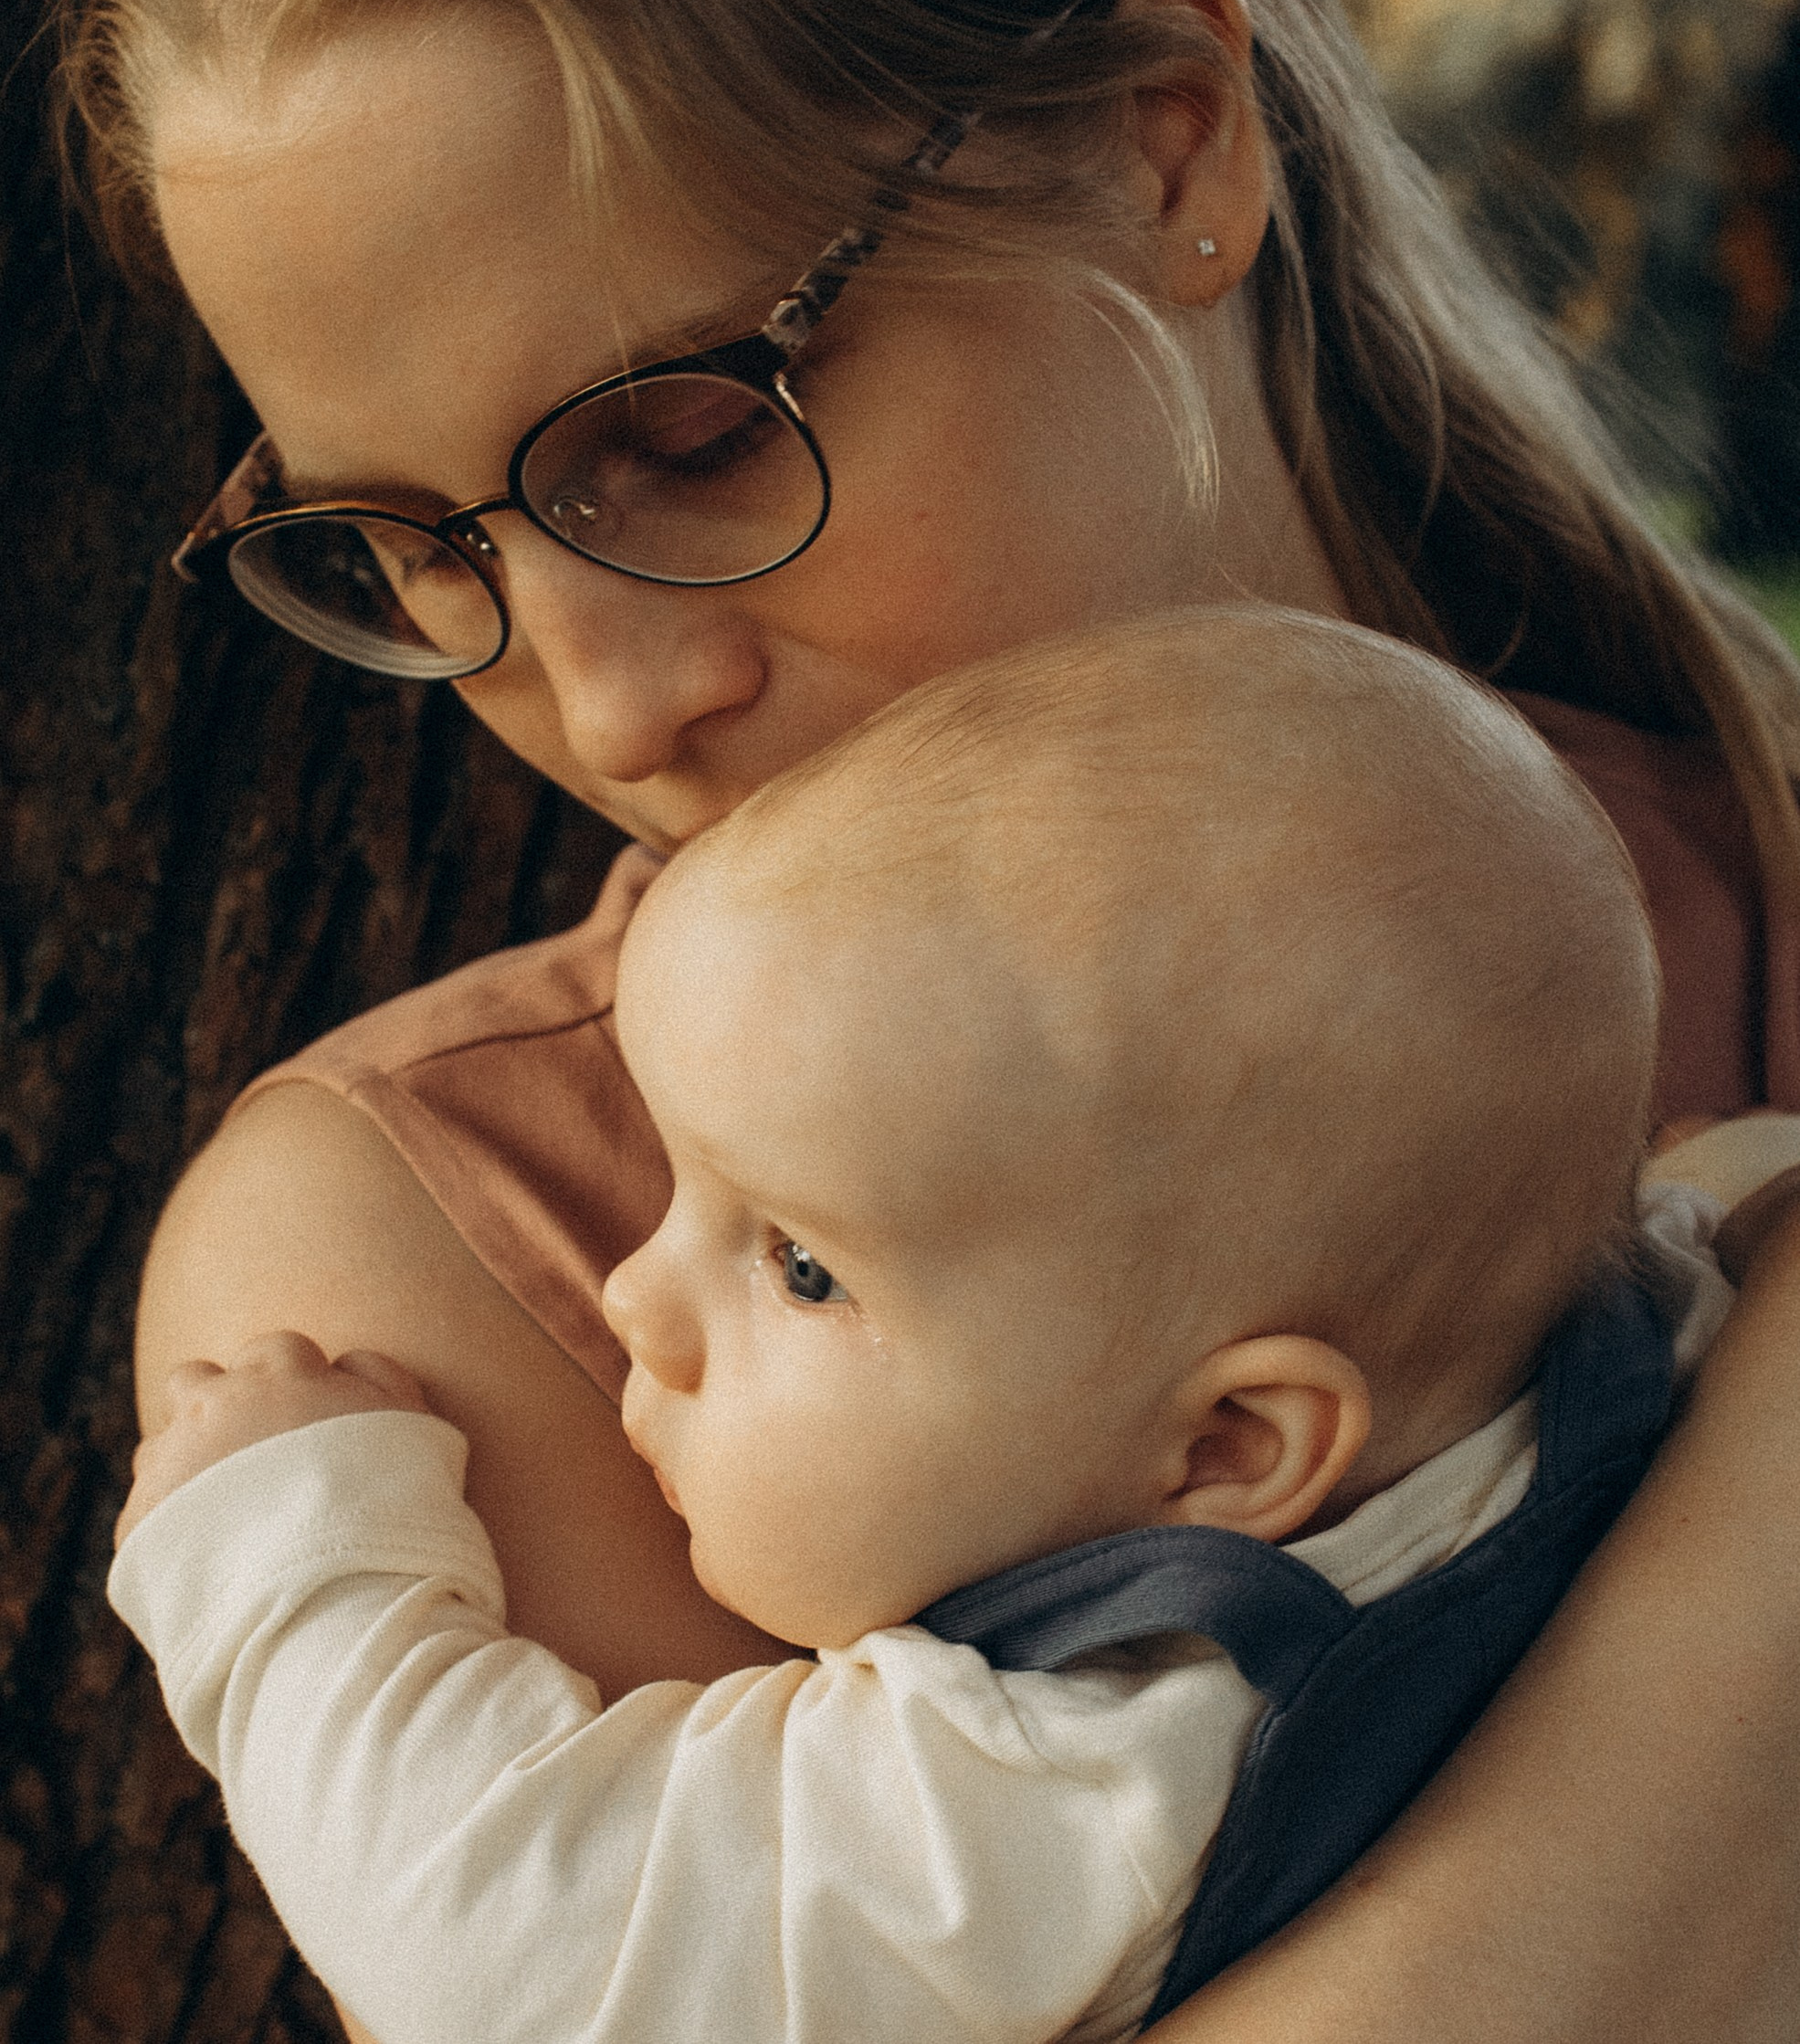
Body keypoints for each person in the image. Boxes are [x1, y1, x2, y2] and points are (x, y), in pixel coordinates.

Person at [57, 0, 1800, 2034]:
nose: (609, 701)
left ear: (1169, 140)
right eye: (407, 547)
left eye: (689, 432)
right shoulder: (439, 1270)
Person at [110, 609, 1736, 2044]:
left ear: (1231, 1447)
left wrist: (298, 1566)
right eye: (675, 1181)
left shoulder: (1057, 1787)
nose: (634, 1299)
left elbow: (499, 1955)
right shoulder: (1658, 1334)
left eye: (802, 1268)